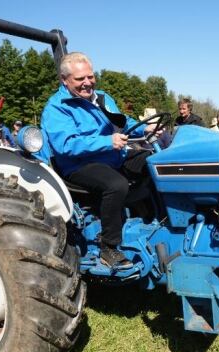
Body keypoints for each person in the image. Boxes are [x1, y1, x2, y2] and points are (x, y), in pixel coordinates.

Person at [40, 52, 154, 269]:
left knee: (153, 163)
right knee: (115, 184)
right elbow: (66, 145)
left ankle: (148, 218)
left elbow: (122, 121)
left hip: (113, 156)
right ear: (65, 80)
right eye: (80, 79)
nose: (87, 83)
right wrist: (106, 142)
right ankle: (109, 247)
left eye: (90, 77)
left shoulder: (101, 97)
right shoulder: (57, 108)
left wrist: (144, 127)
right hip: (78, 164)